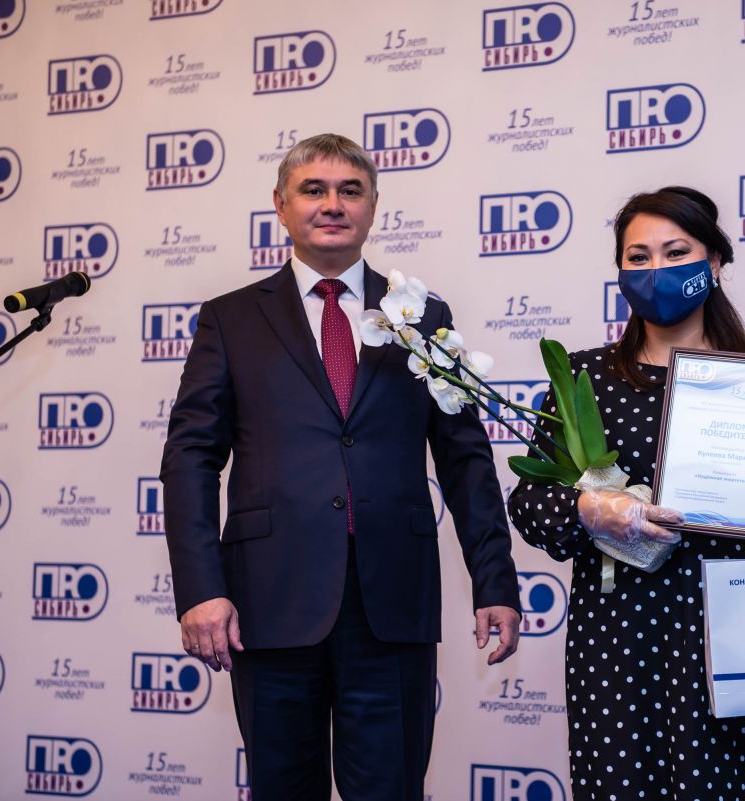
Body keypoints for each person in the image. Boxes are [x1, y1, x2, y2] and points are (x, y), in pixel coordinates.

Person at [160, 133, 521, 801]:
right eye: (314, 190)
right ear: (281, 205)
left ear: (373, 206)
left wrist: (494, 581)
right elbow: (190, 459)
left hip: (392, 601)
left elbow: (466, 460)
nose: (333, 204)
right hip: (268, 603)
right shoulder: (230, 319)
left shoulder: (422, 315)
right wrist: (200, 589)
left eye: (350, 190)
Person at [508, 186, 745, 801]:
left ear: (715, 262)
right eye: (638, 257)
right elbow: (529, 506)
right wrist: (592, 510)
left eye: (676, 252)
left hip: (732, 635)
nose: (656, 269)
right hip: (618, 639)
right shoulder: (583, 378)